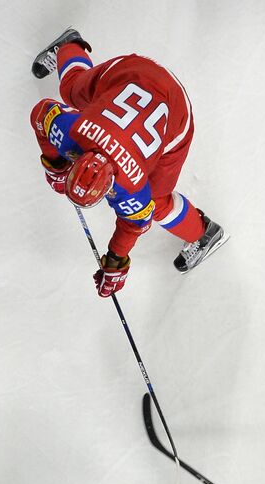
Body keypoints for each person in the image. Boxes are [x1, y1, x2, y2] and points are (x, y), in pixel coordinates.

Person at [29, 28, 227, 297]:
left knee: (157, 201)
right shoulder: (73, 131)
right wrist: (114, 263)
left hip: (172, 107)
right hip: (136, 73)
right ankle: (69, 46)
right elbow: (41, 114)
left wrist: (55, 164)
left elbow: (135, 223)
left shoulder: (130, 185)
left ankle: (204, 233)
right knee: (73, 91)